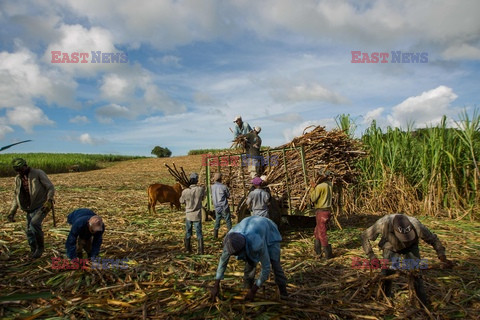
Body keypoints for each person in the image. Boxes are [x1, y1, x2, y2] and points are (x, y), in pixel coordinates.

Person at [361, 213, 455, 307]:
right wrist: (372, 257)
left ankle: (421, 303)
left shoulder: (416, 225)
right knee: (387, 272)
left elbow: (433, 239)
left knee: (416, 274)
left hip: (411, 247)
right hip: (390, 247)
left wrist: (442, 256)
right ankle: (385, 298)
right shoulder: (383, 224)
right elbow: (364, 236)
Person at [211, 215, 288, 302]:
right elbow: (223, 262)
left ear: (242, 249)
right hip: (251, 226)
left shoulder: (257, 243)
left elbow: (266, 268)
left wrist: (254, 290)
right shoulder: (229, 240)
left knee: (275, 264)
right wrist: (216, 285)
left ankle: (283, 292)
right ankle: (247, 289)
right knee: (250, 262)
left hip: (269, 230)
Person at [7, 158, 55, 259]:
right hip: (29, 208)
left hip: (41, 205)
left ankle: (40, 248)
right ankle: (33, 250)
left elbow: (50, 187)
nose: (19, 171)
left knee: (34, 223)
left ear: (25, 166)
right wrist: (12, 212)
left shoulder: (37, 173)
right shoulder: (18, 179)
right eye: (17, 170)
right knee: (29, 231)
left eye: (21, 169)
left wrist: (49, 199)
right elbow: (16, 196)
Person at [309, 169, 333, 259]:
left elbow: (313, 198)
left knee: (322, 233)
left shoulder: (320, 187)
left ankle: (328, 255)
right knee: (317, 231)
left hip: (321, 211)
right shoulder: (330, 184)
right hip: (327, 211)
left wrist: (312, 188)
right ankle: (318, 251)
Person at [180, 172, 206, 254]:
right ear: (197, 180)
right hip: (197, 215)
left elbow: (181, 201)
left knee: (188, 232)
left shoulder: (185, 191)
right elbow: (203, 197)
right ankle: (201, 250)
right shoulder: (200, 189)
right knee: (199, 233)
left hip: (188, 215)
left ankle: (188, 249)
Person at [211, 172, 232, 239]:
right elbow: (228, 196)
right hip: (223, 206)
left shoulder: (212, 187)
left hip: (216, 207)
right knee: (228, 220)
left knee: (217, 220)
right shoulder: (223, 187)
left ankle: (215, 235)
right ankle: (230, 234)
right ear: (221, 179)